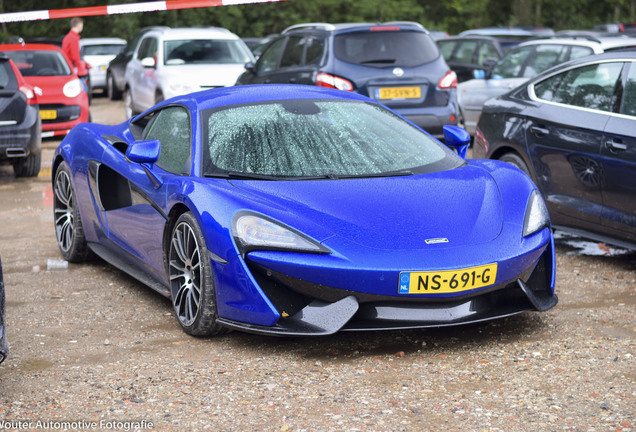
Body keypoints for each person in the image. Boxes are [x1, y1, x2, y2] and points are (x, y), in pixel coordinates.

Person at [62, 17, 90, 96]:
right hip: (72, 68)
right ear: (79, 25)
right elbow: (75, 55)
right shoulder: (73, 38)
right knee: (82, 89)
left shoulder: (68, 37)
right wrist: (80, 68)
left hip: (68, 67)